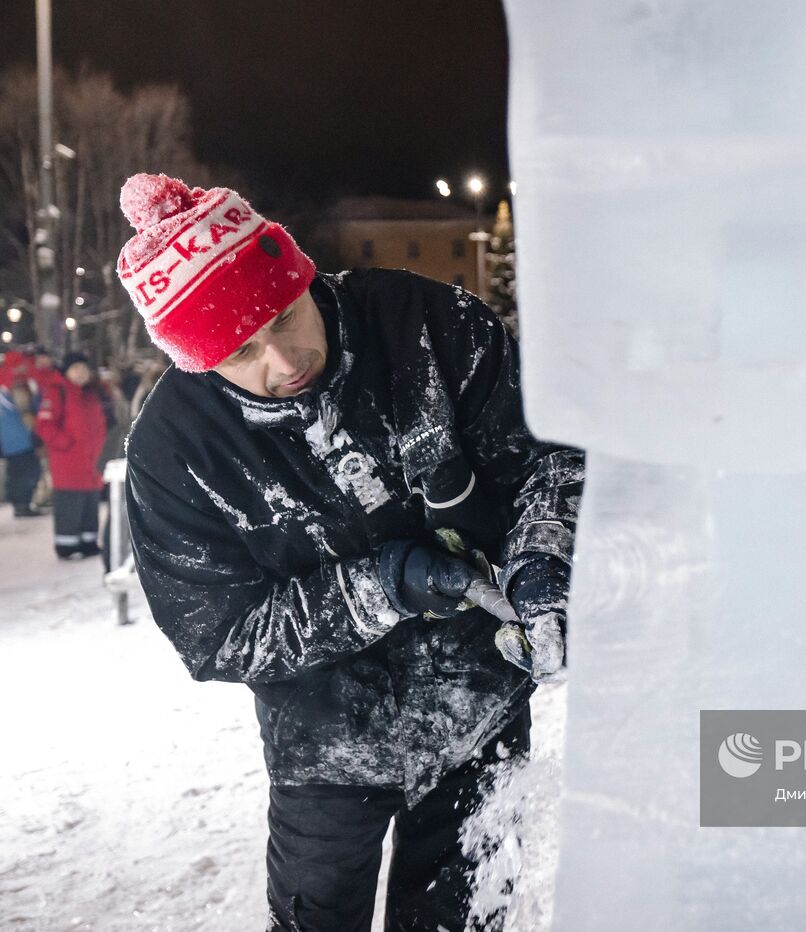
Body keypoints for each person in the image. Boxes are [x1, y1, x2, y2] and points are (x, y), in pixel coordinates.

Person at [117, 173, 582, 931]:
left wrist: (541, 562)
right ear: (199, 360)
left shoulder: (425, 324)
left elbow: (546, 459)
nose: (281, 359)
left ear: (300, 275)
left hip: (480, 706)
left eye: (284, 315)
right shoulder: (175, 450)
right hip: (327, 742)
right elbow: (219, 634)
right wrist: (382, 586)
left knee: (463, 919)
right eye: (241, 351)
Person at [33, 350, 108, 557]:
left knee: (90, 503)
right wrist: (66, 443)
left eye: (84, 369)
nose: (81, 373)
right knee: (70, 505)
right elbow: (44, 425)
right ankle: (67, 546)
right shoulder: (58, 392)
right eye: (75, 369)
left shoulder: (92, 394)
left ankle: (88, 542)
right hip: (68, 463)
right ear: (66, 371)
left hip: (92, 463)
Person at [0, 376, 42, 517]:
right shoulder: (9, 395)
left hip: (13, 443)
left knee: (20, 474)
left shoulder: (5, 395)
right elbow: (27, 415)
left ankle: (20, 504)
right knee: (25, 474)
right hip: (19, 442)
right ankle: (22, 505)